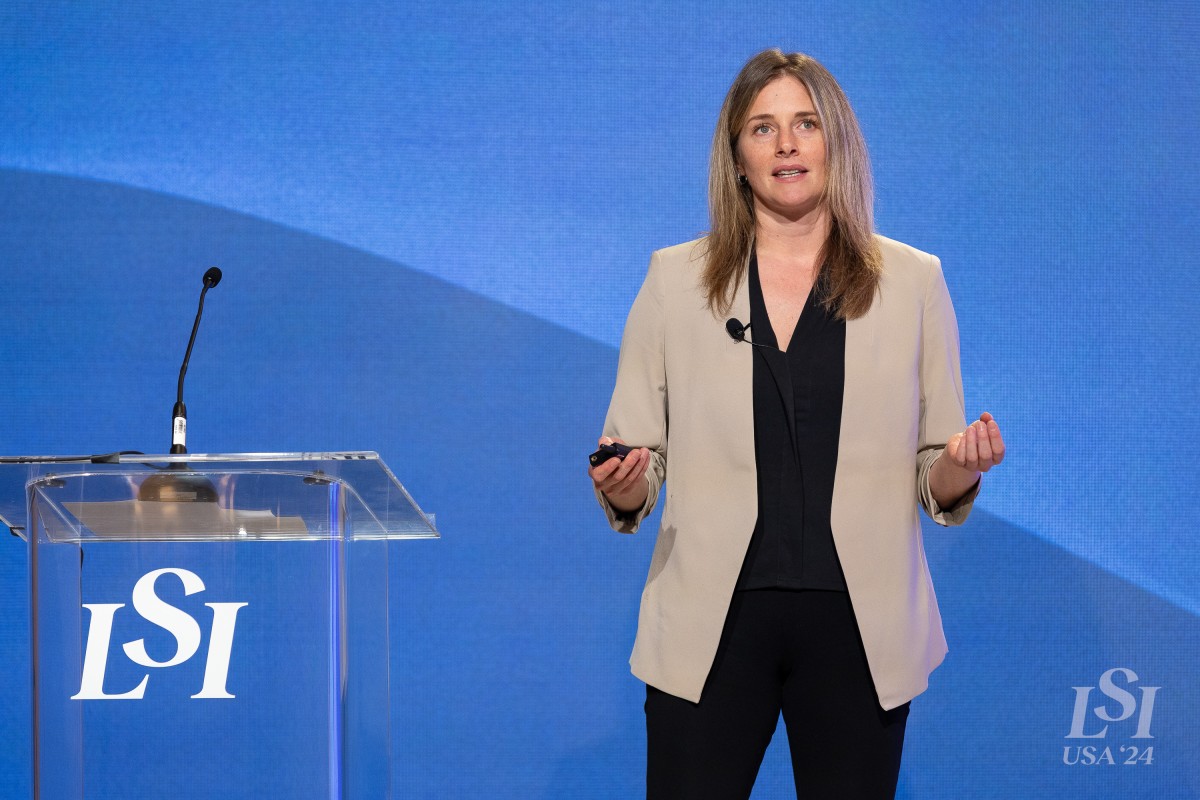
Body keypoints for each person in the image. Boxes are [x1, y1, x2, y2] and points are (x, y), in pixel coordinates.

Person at [588, 48, 1005, 799]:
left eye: (806, 124)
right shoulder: (675, 281)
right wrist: (623, 484)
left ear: (836, 142)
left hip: (860, 625)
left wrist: (961, 466)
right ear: (736, 158)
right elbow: (637, 458)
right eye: (763, 128)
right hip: (712, 621)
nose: (786, 144)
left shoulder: (913, 282)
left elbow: (933, 468)